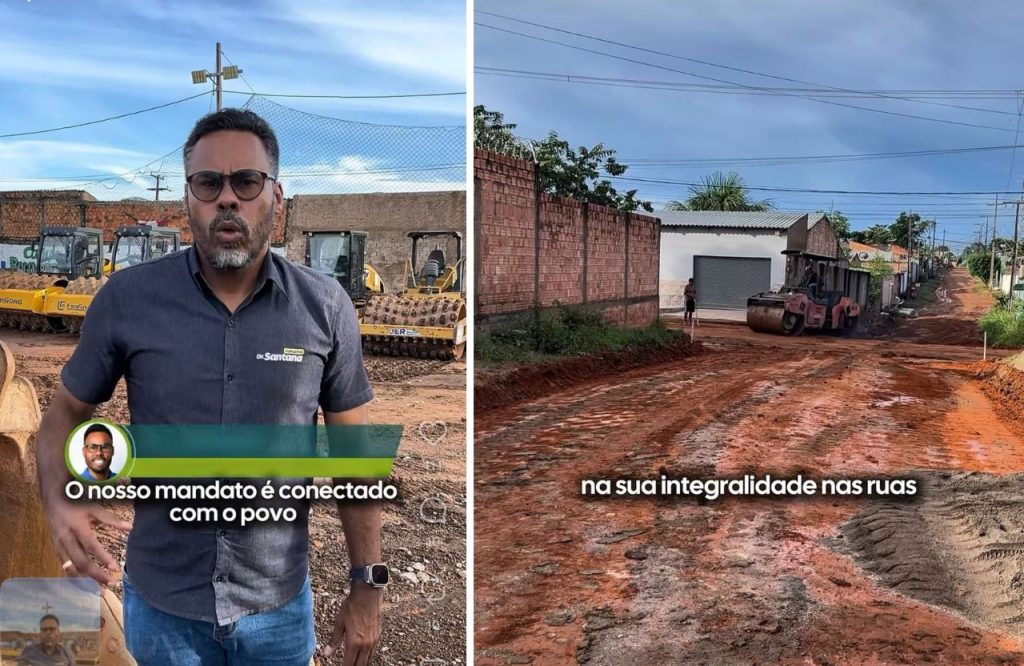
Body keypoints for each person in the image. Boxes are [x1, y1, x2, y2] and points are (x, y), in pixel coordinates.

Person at [36, 109, 384, 665]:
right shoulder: (127, 301)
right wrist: (58, 501)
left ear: (276, 194)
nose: (228, 198)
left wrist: (367, 585)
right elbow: (62, 416)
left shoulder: (324, 307)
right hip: (161, 611)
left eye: (246, 181)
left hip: (277, 612)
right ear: (188, 197)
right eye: (208, 182)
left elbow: (355, 461)